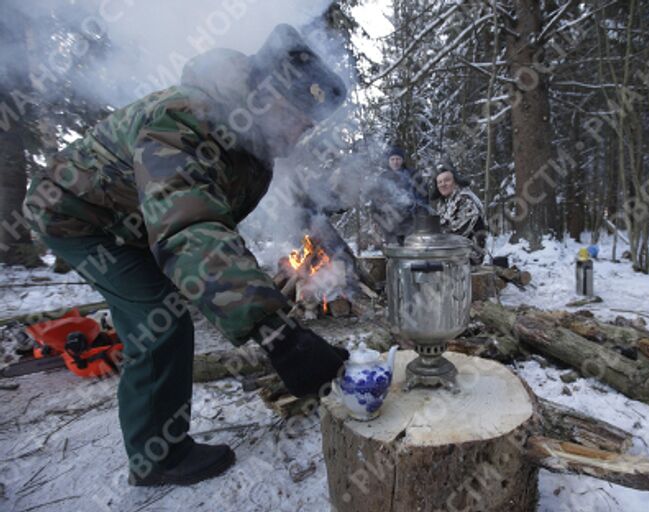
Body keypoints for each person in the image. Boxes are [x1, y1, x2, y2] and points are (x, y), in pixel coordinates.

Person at [22, 25, 349, 486]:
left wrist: (270, 318)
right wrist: (281, 336)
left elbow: (212, 224)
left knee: (168, 306)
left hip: (133, 217)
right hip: (76, 214)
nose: (300, 133)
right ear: (267, 98)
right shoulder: (183, 119)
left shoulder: (253, 147)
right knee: (160, 317)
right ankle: (157, 457)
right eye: (299, 118)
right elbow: (190, 228)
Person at [368, 146, 430, 245]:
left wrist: (421, 216)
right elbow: (375, 200)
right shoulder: (382, 178)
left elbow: (423, 198)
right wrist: (375, 219)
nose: (395, 162)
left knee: (412, 249)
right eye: (392, 159)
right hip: (389, 222)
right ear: (388, 161)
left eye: (398, 159)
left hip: (411, 221)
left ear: (402, 160)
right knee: (394, 250)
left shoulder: (413, 174)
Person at [433, 163, 487, 265]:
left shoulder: (465, 199)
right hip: (454, 251)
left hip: (470, 254)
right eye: (439, 182)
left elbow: (457, 232)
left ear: (456, 181)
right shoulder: (444, 202)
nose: (443, 184)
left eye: (447, 180)